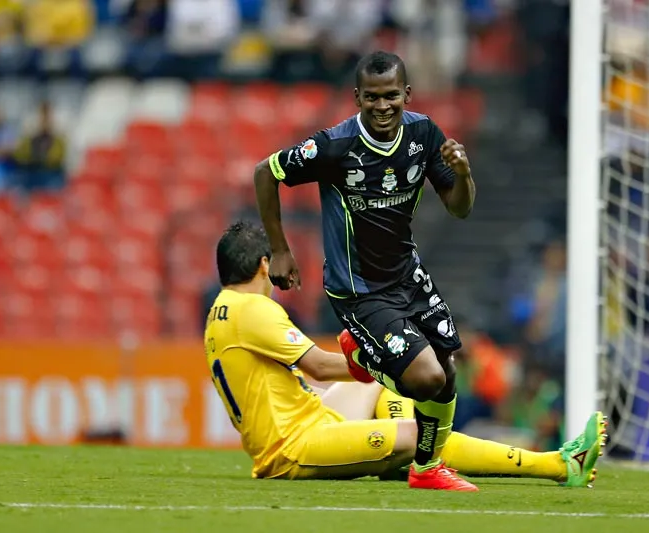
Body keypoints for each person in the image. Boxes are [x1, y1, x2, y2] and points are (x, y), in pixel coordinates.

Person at [204, 220, 607, 487]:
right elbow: (321, 367)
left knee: (389, 394)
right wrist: (376, 360)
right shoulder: (255, 309)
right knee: (421, 434)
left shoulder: (220, 314)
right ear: (263, 264)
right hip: (294, 445)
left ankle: (404, 458)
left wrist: (378, 368)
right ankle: (558, 464)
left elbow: (297, 378)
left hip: (305, 421)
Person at [254, 49, 484, 490]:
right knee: (426, 377)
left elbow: (459, 209)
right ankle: (361, 354)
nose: (383, 106)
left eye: (391, 96)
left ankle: (427, 468)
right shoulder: (335, 145)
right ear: (357, 97)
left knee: (448, 369)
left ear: (407, 95)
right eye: (373, 97)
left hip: (407, 275)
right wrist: (279, 249)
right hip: (358, 289)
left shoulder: (424, 134)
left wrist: (464, 175)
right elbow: (266, 172)